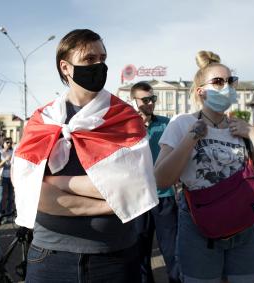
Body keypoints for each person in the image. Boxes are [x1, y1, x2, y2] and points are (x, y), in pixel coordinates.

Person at [11, 29, 158, 283]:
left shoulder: (124, 118)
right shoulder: (41, 121)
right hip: (50, 257)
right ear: (66, 68)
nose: (99, 64)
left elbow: (135, 186)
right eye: (90, 59)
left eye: (102, 57)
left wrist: (56, 184)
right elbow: (33, 194)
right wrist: (111, 203)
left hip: (113, 257)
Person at [154, 50, 254, 283]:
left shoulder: (242, 128)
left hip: (245, 225)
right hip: (199, 228)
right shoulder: (182, 123)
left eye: (230, 81)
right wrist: (191, 137)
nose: (227, 87)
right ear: (200, 91)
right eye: (218, 82)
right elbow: (161, 179)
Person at [131, 82, 180, 283]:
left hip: (164, 196)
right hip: (138, 198)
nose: (150, 103)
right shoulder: (126, 126)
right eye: (145, 100)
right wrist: (135, 126)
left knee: (172, 251)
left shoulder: (166, 123)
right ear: (134, 101)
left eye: (153, 99)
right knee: (139, 254)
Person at [0, 137, 14, 218]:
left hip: (11, 177)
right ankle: (0, 215)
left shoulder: (12, 152)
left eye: (10, 142)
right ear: (3, 143)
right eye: (7, 142)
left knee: (10, 197)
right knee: (1, 196)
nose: (9, 144)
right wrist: (5, 159)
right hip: (2, 177)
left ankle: (9, 215)